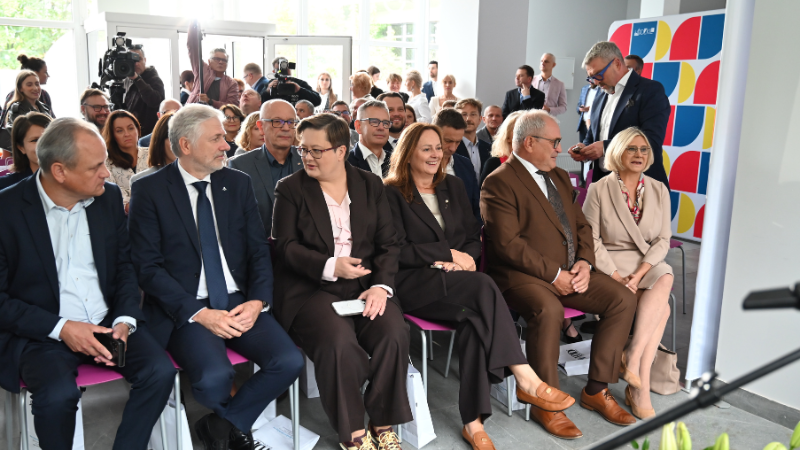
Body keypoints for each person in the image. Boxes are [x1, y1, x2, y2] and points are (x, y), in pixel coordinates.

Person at [384, 122, 574, 448]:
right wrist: (447, 254)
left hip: (460, 282)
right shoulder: (390, 192)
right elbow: (394, 249)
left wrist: (466, 259)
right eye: (426, 148)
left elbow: (474, 236)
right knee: (484, 286)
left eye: (438, 147)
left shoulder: (453, 186)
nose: (436, 154)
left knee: (475, 322)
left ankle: (473, 423)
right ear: (408, 152)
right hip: (415, 284)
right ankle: (525, 376)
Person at [128, 105, 304, 450]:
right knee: (213, 378)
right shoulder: (149, 190)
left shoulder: (236, 182)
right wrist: (198, 314)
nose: (227, 145)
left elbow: (258, 250)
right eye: (217, 139)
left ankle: (221, 426)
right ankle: (233, 431)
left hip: (239, 299)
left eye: (225, 137)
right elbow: (147, 268)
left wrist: (258, 301)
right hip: (186, 306)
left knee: (289, 361)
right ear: (186, 145)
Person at [0, 117, 176, 449]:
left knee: (160, 372)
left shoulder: (108, 198)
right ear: (59, 171)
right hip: (43, 331)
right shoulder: (6, 210)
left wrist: (124, 319)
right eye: (96, 167)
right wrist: (63, 328)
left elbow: (124, 266)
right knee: (57, 396)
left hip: (108, 322)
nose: (106, 173)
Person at [481, 110, 637, 439]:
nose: (559, 149)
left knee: (622, 298)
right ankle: (546, 402)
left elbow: (581, 226)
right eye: (554, 142)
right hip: (521, 277)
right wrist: (554, 275)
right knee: (548, 310)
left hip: (569, 271)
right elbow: (508, 245)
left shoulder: (560, 177)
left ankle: (596, 389)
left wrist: (584, 262)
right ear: (529, 142)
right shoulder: (498, 181)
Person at [272, 113, 411, 449]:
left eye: (316, 150)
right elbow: (284, 247)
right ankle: (353, 434)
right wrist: (330, 265)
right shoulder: (290, 188)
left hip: (366, 285)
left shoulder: (370, 184)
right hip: (312, 288)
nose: (307, 157)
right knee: (339, 344)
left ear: (341, 151)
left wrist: (381, 286)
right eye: (303, 149)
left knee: (393, 334)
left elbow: (389, 243)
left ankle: (382, 422)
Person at [582, 127, 673, 420]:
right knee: (663, 309)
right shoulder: (599, 189)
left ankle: (633, 356)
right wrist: (617, 276)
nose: (639, 154)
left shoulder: (659, 189)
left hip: (646, 262)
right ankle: (639, 386)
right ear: (618, 152)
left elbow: (663, 240)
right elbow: (591, 239)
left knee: (665, 274)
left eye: (644, 149)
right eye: (632, 148)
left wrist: (641, 272)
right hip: (612, 263)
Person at [570, 42, 670, 188]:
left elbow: (651, 141)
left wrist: (605, 147)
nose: (596, 82)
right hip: (603, 184)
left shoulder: (650, 90)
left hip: (638, 186)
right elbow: (593, 134)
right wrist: (584, 148)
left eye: (599, 74)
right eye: (591, 77)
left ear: (617, 63)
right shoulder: (600, 93)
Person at [229, 99, 302, 236]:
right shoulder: (240, 165)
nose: (286, 128)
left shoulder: (308, 160)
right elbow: (235, 221)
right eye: (277, 121)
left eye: (291, 122)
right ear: (261, 126)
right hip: (260, 246)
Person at [433, 109, 480, 223]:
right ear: (434, 133)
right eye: (448, 141)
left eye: (458, 142)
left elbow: (475, 206)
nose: (453, 148)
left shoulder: (466, 165)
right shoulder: (421, 165)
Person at [187, 20, 239, 108]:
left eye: (224, 60)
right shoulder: (201, 69)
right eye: (217, 59)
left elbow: (232, 105)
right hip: (194, 112)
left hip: (216, 115)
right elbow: (192, 48)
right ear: (209, 61)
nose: (221, 62)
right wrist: (193, 26)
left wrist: (210, 102)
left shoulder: (231, 83)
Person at [103, 110, 149, 208]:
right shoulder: (106, 162)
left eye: (131, 128)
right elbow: (112, 195)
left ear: (137, 129)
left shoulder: (153, 154)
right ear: (112, 135)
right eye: (119, 131)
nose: (127, 134)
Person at [119, 46, 166, 136]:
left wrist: (137, 80)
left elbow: (155, 101)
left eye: (138, 59)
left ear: (145, 60)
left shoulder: (154, 79)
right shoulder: (128, 80)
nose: (136, 64)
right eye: (132, 60)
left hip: (148, 134)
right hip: (132, 131)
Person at [0, 112, 51, 190]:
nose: (43, 144)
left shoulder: (69, 181)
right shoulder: (5, 187)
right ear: (21, 148)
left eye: (48, 138)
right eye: (35, 140)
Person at [348, 100, 393, 178]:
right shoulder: (345, 163)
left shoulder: (396, 162)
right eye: (374, 122)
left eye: (385, 123)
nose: (381, 127)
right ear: (358, 126)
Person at [131, 111, 176, 184]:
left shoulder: (196, 176)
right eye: (173, 139)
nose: (180, 145)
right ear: (160, 142)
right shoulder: (141, 181)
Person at [479, 111, 523, 186]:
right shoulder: (493, 164)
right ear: (507, 136)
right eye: (519, 130)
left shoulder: (538, 164)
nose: (526, 134)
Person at [455, 98, 492, 181]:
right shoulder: (452, 148)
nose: (468, 119)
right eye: (464, 114)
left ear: (480, 119)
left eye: (473, 114)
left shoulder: (489, 148)